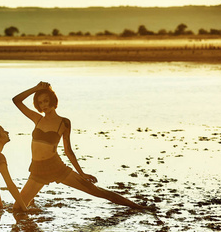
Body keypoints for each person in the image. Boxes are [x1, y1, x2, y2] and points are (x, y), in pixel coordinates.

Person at [12, 82, 146, 211]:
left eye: (46, 101)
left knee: (96, 191)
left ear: (52, 100)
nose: (43, 105)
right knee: (17, 208)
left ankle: (138, 207)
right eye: (40, 102)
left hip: (55, 167)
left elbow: (68, 151)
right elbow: (16, 100)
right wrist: (36, 88)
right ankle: (31, 225)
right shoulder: (38, 119)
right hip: (37, 169)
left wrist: (81, 173)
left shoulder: (64, 123)